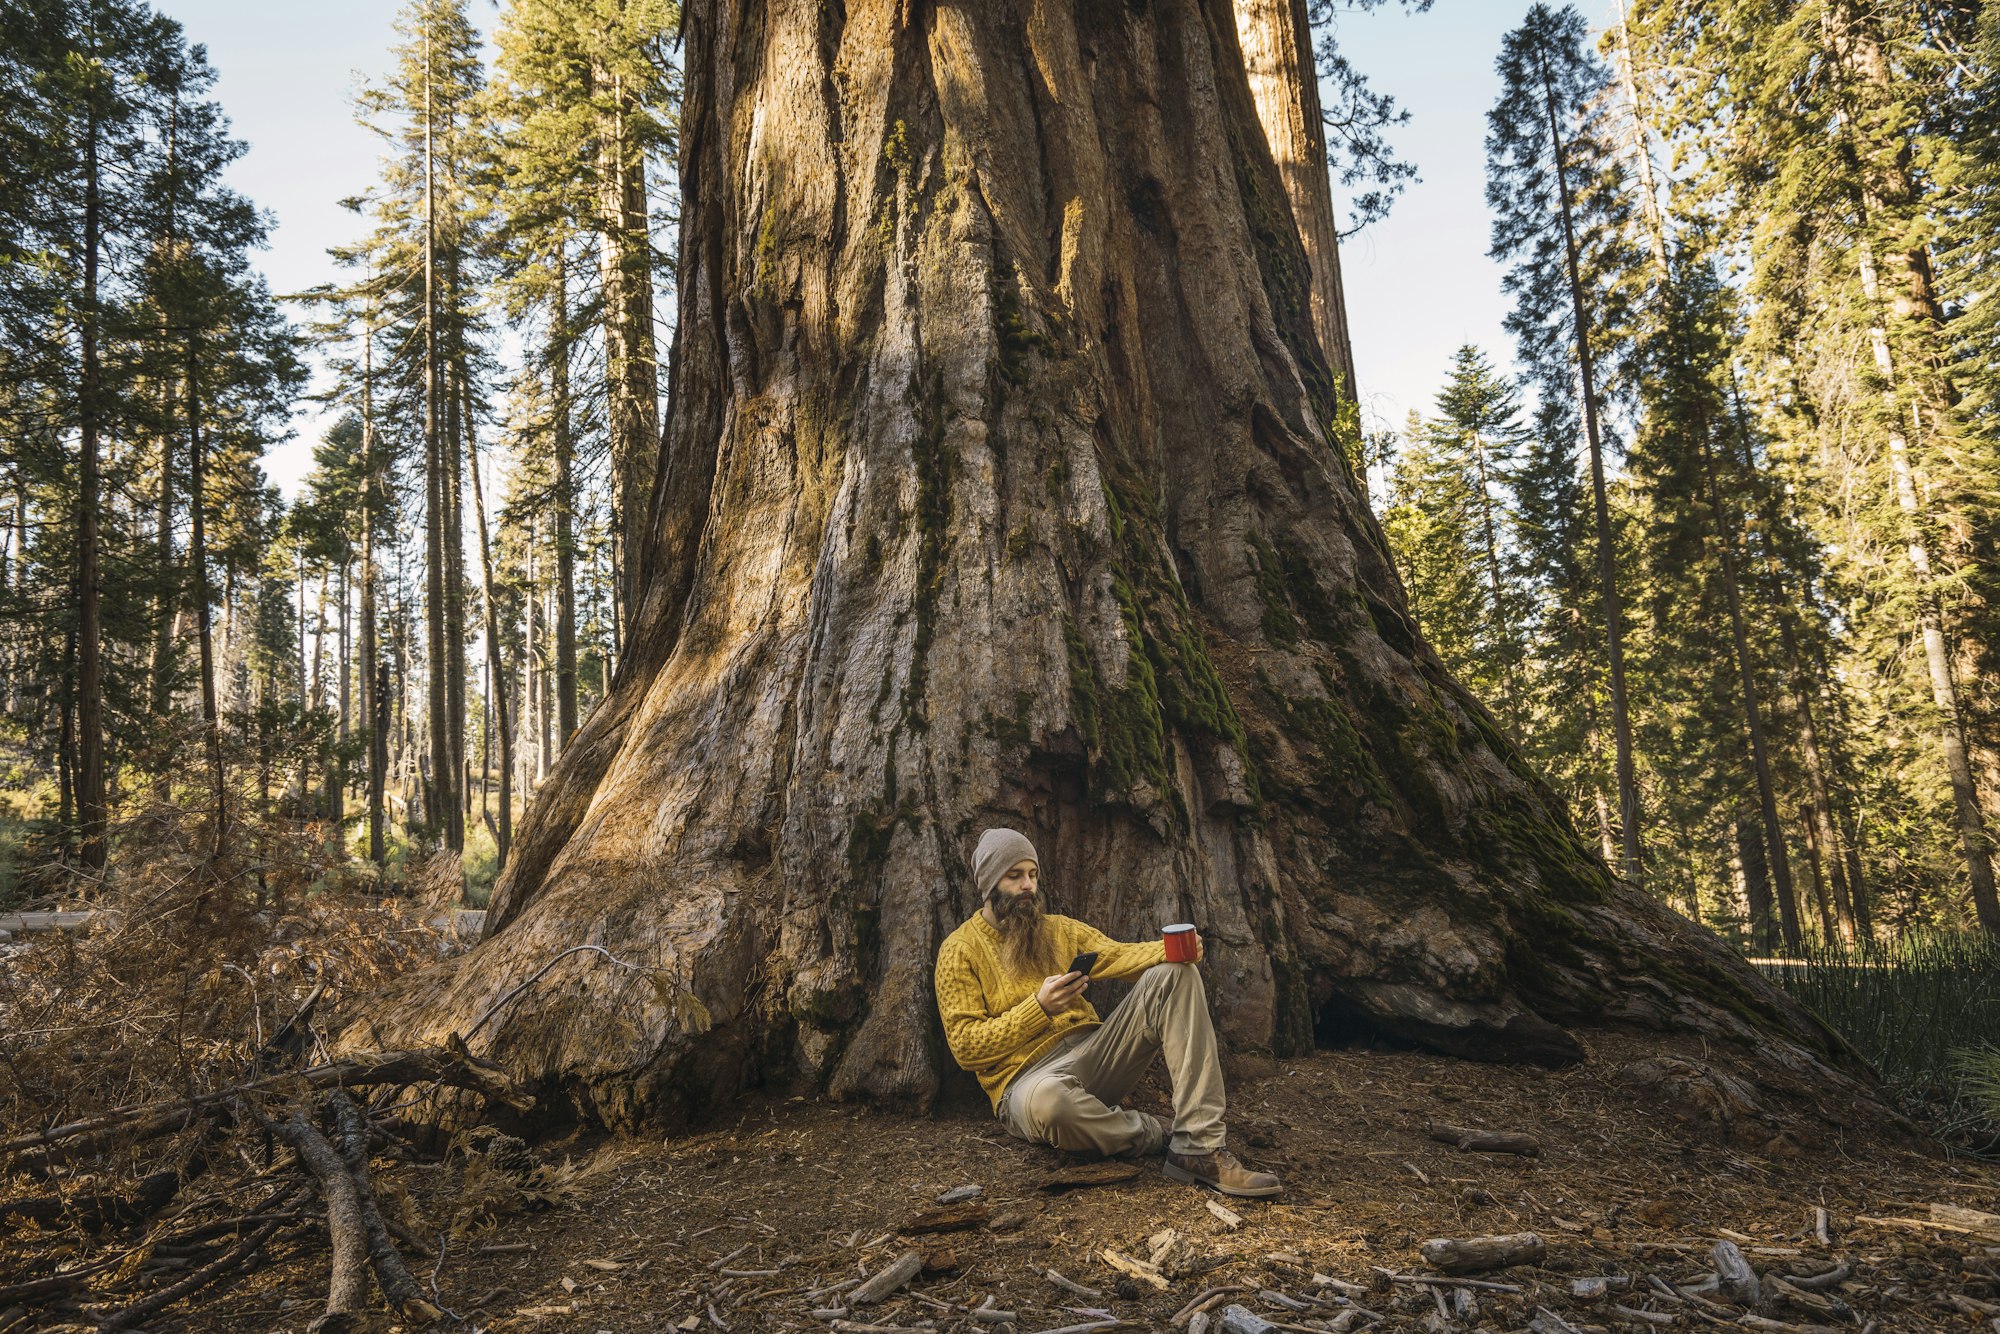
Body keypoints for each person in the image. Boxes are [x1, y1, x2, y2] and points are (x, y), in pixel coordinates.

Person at [933, 827, 1282, 1198]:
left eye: (1032, 875)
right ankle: (1158, 1132)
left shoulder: (1059, 930)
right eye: (1014, 876)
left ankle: (1200, 1145)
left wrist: (1171, 950)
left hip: (1093, 1054)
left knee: (1175, 975)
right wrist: (1038, 1008)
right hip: (1026, 1082)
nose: (1027, 886)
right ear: (989, 884)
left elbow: (1118, 955)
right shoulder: (959, 950)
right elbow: (965, 1047)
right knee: (1053, 1104)